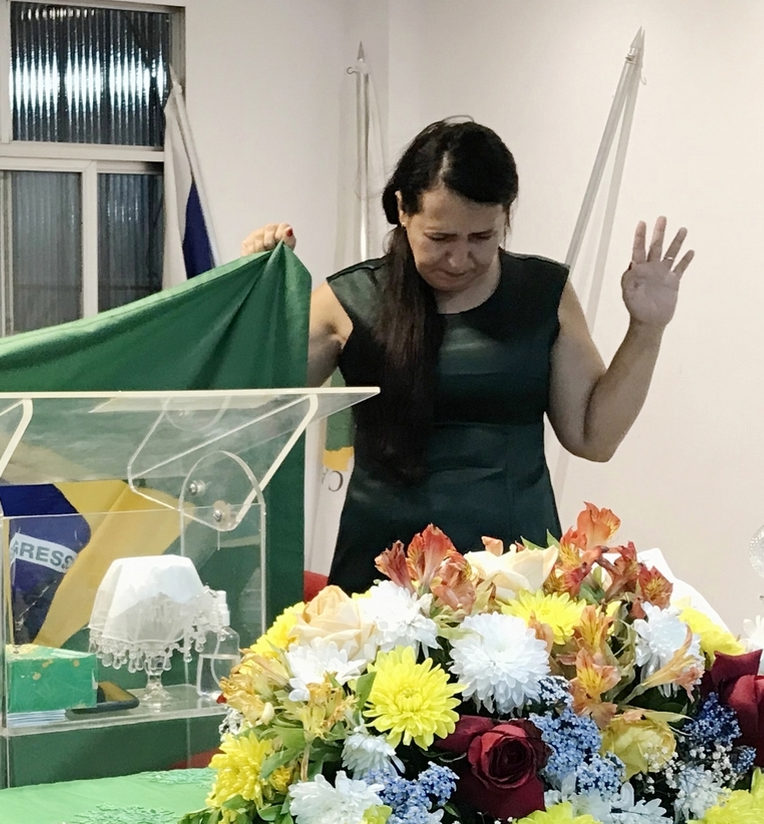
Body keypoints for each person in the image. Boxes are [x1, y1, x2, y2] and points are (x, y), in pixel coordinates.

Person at [241, 118, 694, 593]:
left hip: (516, 579)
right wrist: (260, 294)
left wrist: (646, 328)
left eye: (482, 238)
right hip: (383, 579)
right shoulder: (349, 299)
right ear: (402, 210)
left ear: (505, 217)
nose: (459, 260)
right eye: (439, 239)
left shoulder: (543, 293)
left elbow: (592, 438)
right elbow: (256, 406)